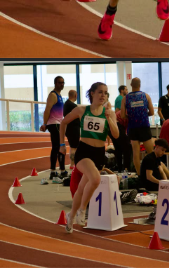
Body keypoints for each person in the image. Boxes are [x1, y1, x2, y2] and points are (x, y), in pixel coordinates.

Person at [59, 81, 119, 232]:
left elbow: (116, 134)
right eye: (100, 92)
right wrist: (61, 144)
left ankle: (71, 216)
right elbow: (63, 123)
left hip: (99, 153)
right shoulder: (81, 110)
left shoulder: (109, 113)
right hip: (84, 152)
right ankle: (83, 209)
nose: (103, 95)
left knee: (81, 188)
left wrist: (109, 118)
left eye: (105, 93)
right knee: (96, 179)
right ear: (92, 93)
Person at [121, 77, 155, 173]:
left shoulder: (125, 98)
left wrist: (131, 116)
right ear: (140, 85)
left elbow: (122, 115)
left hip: (132, 127)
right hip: (144, 126)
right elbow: (152, 112)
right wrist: (144, 115)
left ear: (131, 85)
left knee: (136, 153)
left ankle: (140, 175)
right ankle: (153, 172)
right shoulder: (146, 96)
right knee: (151, 153)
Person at [40, 76, 69, 180]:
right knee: (59, 147)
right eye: (60, 82)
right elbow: (47, 110)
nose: (62, 84)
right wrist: (44, 124)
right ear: (55, 83)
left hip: (58, 124)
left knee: (57, 147)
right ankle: (60, 171)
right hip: (54, 124)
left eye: (63, 82)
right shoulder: (53, 95)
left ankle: (55, 171)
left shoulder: (59, 95)